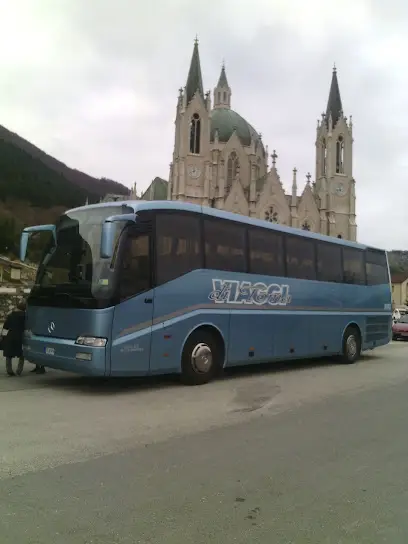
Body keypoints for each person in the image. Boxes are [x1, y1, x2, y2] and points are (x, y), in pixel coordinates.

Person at [1, 300, 26, 376]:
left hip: (11, 336)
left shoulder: (11, 315)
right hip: (21, 336)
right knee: (22, 354)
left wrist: (2, 336)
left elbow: (5, 327)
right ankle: (19, 370)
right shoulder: (25, 316)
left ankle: (9, 370)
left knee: (9, 354)